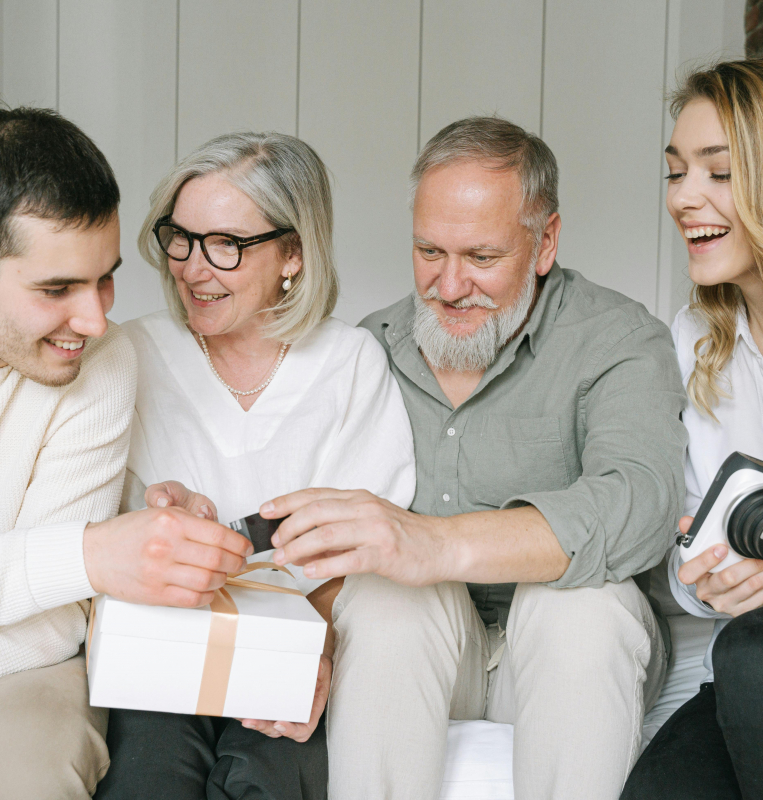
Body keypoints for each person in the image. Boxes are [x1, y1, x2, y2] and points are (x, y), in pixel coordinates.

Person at [261, 116, 689, 800]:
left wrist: (434, 543)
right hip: (424, 654)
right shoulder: (368, 348)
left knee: (583, 607)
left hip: (564, 653)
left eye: (481, 258)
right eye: (429, 251)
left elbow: (639, 505)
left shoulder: (617, 337)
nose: (449, 285)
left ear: (545, 241)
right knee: (383, 597)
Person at [94, 131, 415, 800]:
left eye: (227, 246)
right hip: (159, 643)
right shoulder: (130, 354)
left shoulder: (349, 365)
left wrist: (320, 656)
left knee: (264, 780)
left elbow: (356, 560)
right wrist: (158, 518)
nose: (192, 267)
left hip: (287, 652)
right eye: (179, 238)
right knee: (147, 779)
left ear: (293, 252)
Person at [0, 107, 254, 800]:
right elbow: (69, 568)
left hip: (25, 662)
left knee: (33, 760)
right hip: (1, 635)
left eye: (106, 279)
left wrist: (70, 567)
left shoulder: (103, 359)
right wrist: (90, 554)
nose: (94, 319)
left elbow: (57, 617)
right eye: (56, 289)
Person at [622, 60, 763, 800]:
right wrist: (709, 578)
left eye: (718, 172)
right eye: (676, 172)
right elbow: (685, 544)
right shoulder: (695, 340)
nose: (683, 198)